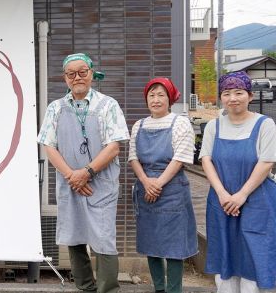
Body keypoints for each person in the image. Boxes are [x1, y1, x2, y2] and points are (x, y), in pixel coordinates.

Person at [37, 53, 129, 293]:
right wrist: (72, 176)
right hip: (70, 183)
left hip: (101, 183)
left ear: (91, 73)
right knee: (74, 234)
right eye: (71, 73)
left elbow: (114, 146)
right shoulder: (55, 108)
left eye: (82, 72)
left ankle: (107, 288)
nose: (77, 77)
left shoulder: (108, 105)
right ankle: (84, 287)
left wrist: (86, 172)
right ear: (65, 78)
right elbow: (48, 145)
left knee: (103, 237)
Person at [199, 71, 276, 293]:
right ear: (221, 97)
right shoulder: (214, 126)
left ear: (250, 96)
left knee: (254, 255)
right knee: (225, 254)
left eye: (239, 92)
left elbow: (266, 162)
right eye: (227, 93)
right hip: (221, 202)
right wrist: (223, 194)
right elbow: (206, 160)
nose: (233, 98)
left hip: (257, 201)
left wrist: (241, 195)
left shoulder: (265, 124)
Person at [128, 77, 198, 293]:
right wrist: (146, 182)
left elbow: (181, 157)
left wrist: (157, 184)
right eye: (151, 95)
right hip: (145, 185)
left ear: (170, 99)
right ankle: (159, 288)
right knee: (152, 242)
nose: (156, 100)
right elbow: (133, 158)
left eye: (161, 95)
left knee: (174, 245)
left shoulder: (180, 122)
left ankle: (174, 289)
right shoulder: (138, 125)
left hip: (172, 188)